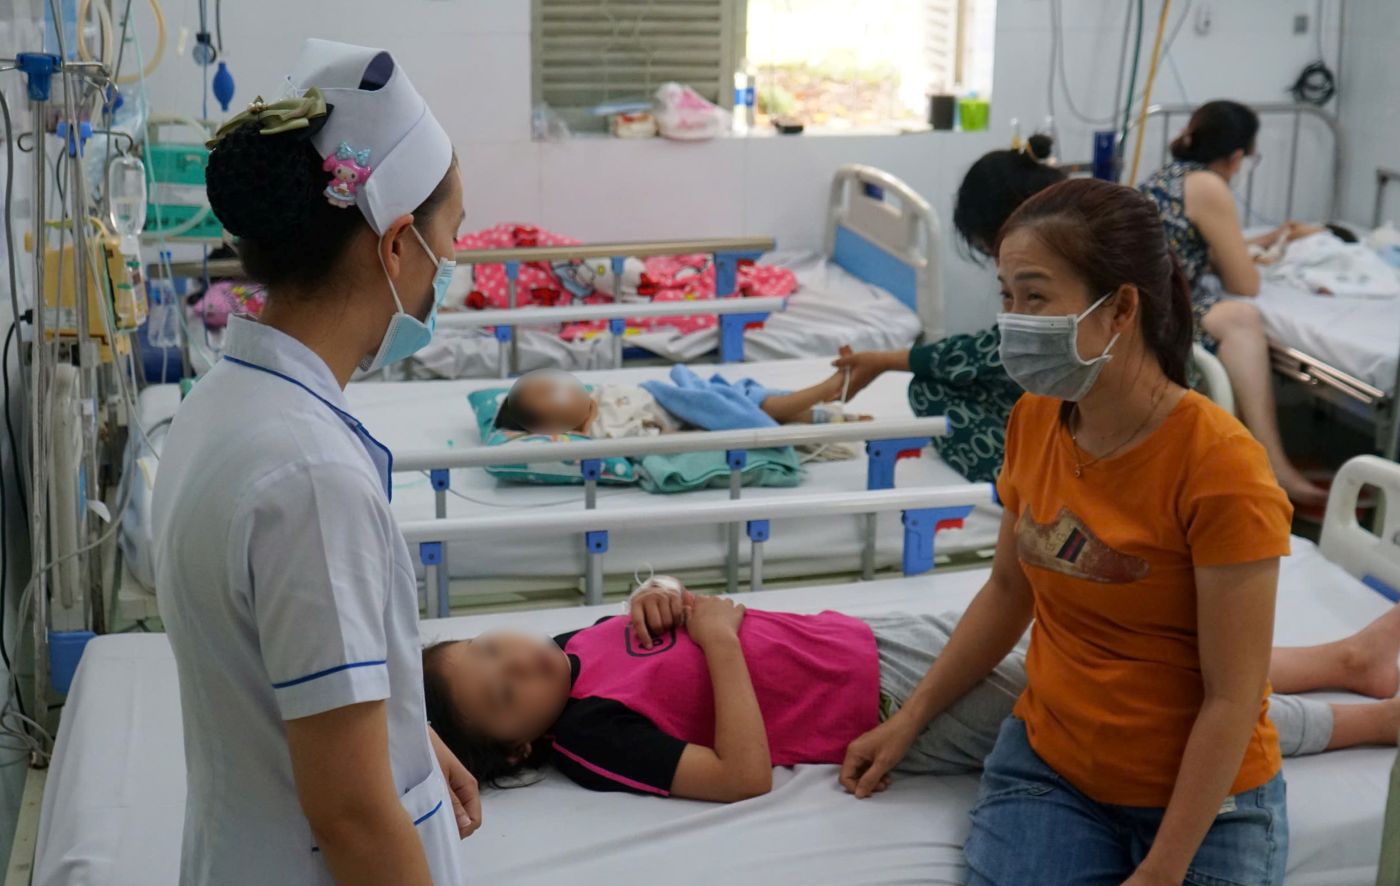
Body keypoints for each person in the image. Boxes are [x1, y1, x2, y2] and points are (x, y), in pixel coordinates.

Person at [838, 177, 1295, 885]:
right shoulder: (1036, 418)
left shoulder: (1219, 464)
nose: (1013, 321)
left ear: (1119, 309)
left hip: (1204, 798)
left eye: (1036, 296)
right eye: (1005, 297)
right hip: (1052, 769)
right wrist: (911, 718)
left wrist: (1163, 870)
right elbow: (1005, 589)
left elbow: (1232, 698)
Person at [152, 40, 476, 885]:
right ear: (398, 246)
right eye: (454, 238)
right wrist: (382, 773)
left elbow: (283, 675)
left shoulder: (221, 405)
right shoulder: (309, 478)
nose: (455, 271)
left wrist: (409, 734)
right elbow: (353, 816)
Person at [418, 576, 1400, 802]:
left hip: (865, 642)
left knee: (1121, 648)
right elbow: (741, 775)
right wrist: (716, 636)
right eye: (503, 696)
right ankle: (1365, 720)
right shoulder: (588, 736)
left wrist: (659, 592)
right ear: (517, 749)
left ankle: (1339, 657)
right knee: (1137, 704)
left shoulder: (566, 646)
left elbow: (648, 629)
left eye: (493, 652)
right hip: (881, 710)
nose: (519, 667)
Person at [831, 138, 1065, 483]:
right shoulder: (1058, 249)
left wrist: (885, 361)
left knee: (929, 388)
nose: (989, 254)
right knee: (931, 386)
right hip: (1048, 397)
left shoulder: (1059, 269)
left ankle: (1021, 482)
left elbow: (992, 350)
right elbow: (994, 346)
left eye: (987, 245)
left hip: (1071, 412)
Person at [1140, 99, 1327, 505]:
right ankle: (1274, 466)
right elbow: (1245, 282)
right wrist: (1252, 257)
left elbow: (1188, 244)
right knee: (1241, 317)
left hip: (1144, 296)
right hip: (1160, 307)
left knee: (1234, 315)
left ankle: (1259, 465)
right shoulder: (1208, 185)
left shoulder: (1170, 175)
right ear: (1238, 155)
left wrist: (1266, 238)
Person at [492, 353, 876, 438]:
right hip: (693, 415)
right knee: (757, 408)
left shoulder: (599, 392)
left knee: (749, 397)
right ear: (550, 424)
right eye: (545, 393)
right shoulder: (599, 435)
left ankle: (825, 411)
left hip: (689, 395)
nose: (555, 384)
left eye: (548, 379)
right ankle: (827, 393)